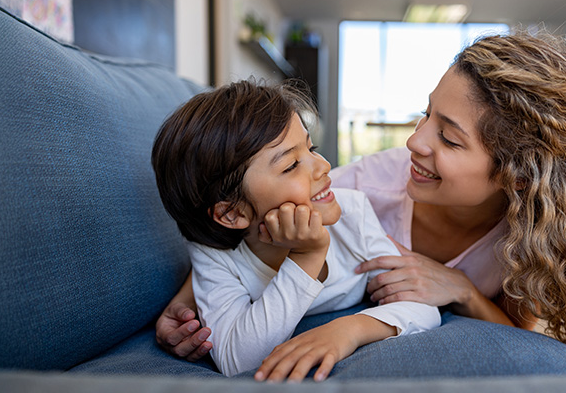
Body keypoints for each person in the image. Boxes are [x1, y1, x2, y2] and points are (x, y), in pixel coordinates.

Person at [156, 30, 566, 374]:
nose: (414, 142)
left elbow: (520, 333)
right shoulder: (362, 190)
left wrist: (461, 290)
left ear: (516, 177)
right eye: (425, 114)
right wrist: (188, 299)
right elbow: (244, 218)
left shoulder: (536, 226)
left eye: (449, 140)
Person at [150, 80, 440, 381]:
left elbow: (423, 307)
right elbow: (238, 361)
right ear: (232, 213)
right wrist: (306, 257)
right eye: (291, 165)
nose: (324, 166)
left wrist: (349, 329)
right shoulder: (215, 253)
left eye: (311, 148)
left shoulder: (353, 215)